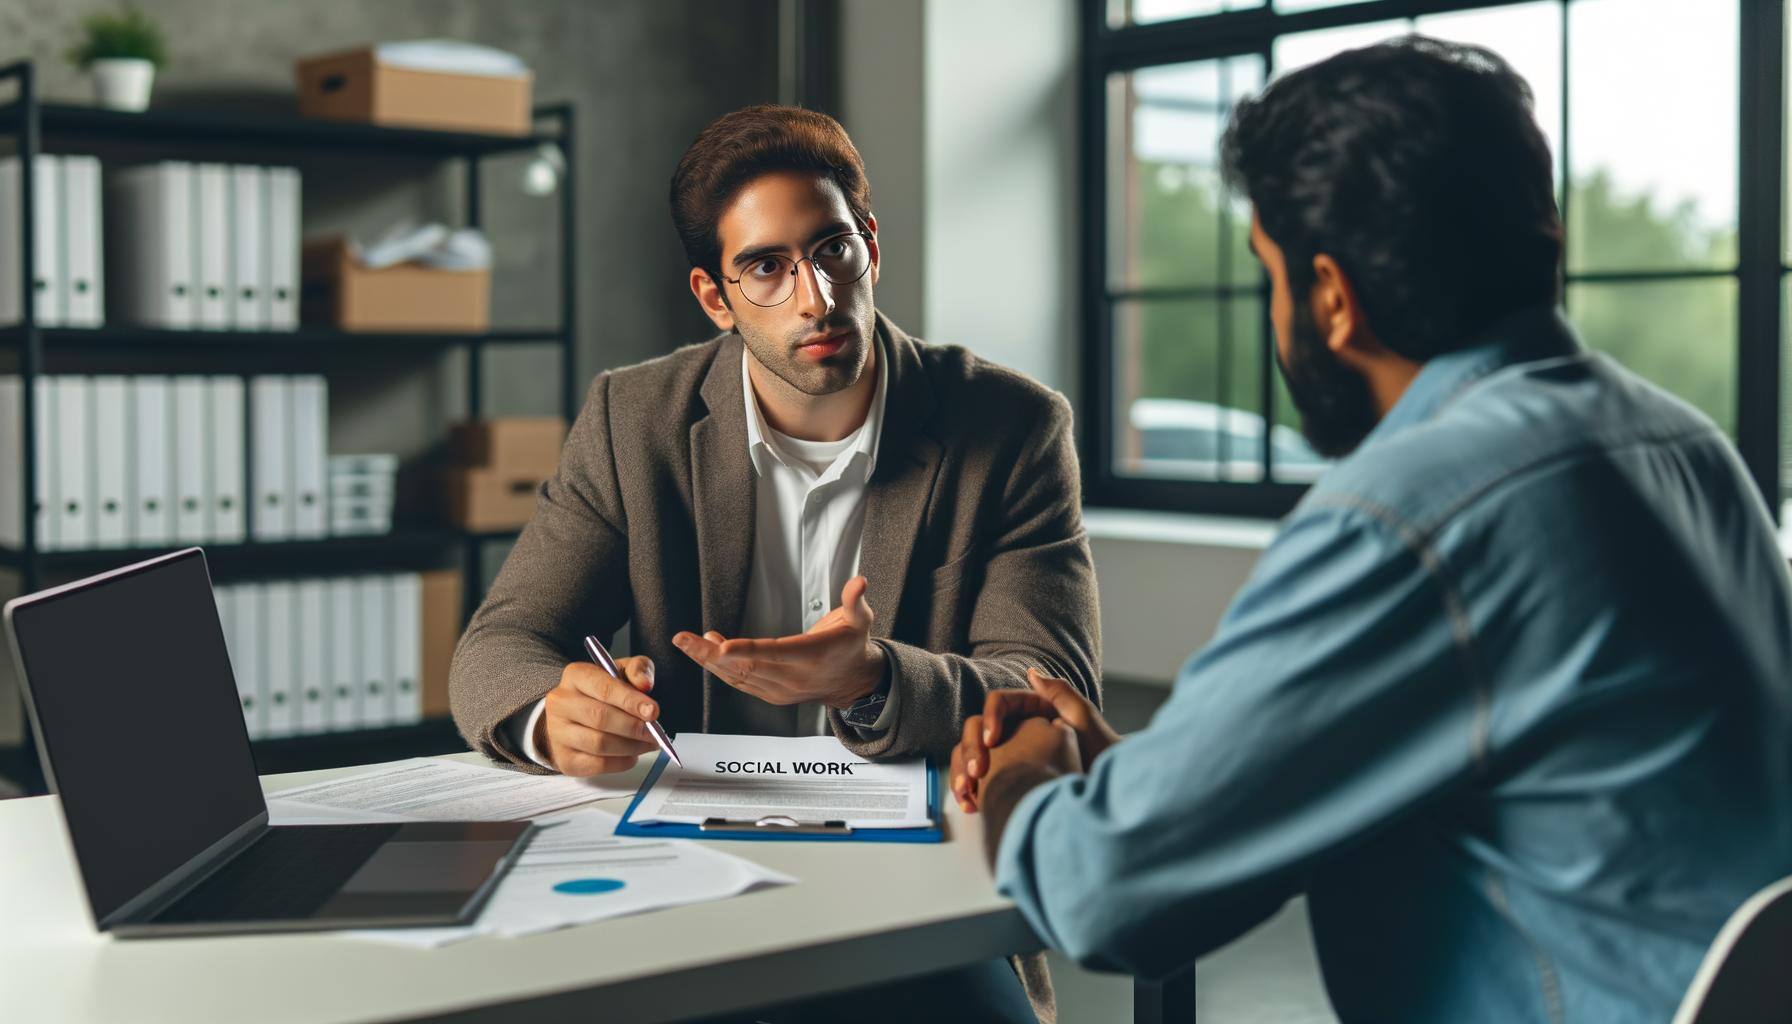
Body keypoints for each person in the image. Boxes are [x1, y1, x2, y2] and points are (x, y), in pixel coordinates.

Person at [951, 37, 1792, 1024]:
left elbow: (1104, 895)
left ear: (1333, 298)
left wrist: (1026, 776)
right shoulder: (1682, 443)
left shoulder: (1410, 513)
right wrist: (1151, 777)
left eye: (1270, 276)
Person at [449, 105, 1098, 1022]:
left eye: (834, 250)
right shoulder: (632, 421)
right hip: (691, 884)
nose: (817, 297)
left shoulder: (1012, 427)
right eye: (765, 268)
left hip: (921, 896)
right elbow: (501, 640)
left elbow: (1054, 688)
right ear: (715, 297)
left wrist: (875, 680)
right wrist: (550, 716)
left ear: (871, 243)